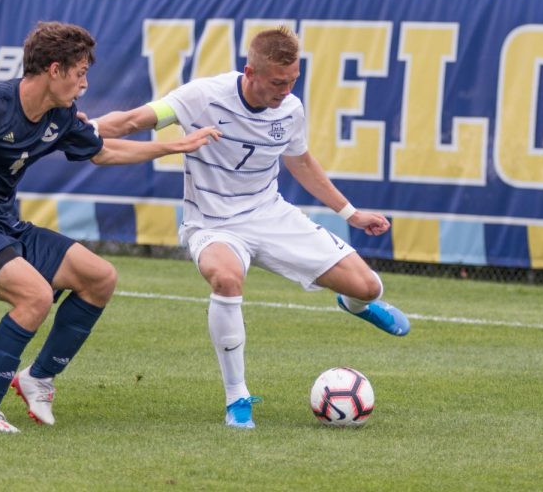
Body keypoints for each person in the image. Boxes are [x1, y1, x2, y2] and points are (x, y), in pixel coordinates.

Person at [94, 26, 410, 429]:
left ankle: (355, 304)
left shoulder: (290, 109)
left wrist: (351, 214)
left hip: (269, 215)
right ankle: (237, 398)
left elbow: (301, 163)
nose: (287, 89)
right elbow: (135, 119)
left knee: (368, 286)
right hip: (212, 223)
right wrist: (79, 126)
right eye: (279, 82)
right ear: (250, 72)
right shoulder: (204, 96)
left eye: (294, 79)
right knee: (226, 279)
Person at [0, 21, 219, 433]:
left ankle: (37, 377)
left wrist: (173, 146)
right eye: (80, 73)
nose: (85, 84)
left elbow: (104, 152)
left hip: (2, 223)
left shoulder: (59, 116)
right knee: (36, 297)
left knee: (100, 278)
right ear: (54, 70)